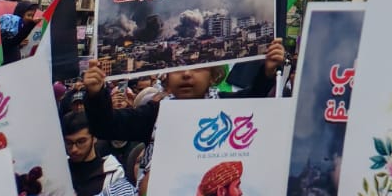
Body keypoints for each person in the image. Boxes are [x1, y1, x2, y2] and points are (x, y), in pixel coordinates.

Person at [82, 40, 286, 143]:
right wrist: (96, 93)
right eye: (178, 67)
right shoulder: (155, 114)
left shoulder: (229, 108)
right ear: (167, 76)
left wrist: (267, 72)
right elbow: (105, 126)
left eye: (197, 67)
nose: (187, 74)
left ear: (212, 73)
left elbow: (255, 100)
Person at [64, 111, 138, 196]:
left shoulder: (113, 173)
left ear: (94, 137)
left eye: (81, 141)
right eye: (69, 143)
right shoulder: (60, 170)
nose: (74, 149)